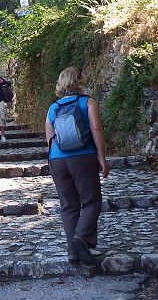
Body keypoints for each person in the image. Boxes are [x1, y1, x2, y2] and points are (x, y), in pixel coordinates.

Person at [44, 67, 109, 266]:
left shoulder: (53, 107)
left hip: (57, 159)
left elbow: (49, 137)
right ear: (78, 82)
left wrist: (54, 160)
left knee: (68, 205)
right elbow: (96, 128)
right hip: (83, 157)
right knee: (92, 202)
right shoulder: (88, 102)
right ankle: (81, 238)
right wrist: (102, 157)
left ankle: (74, 254)